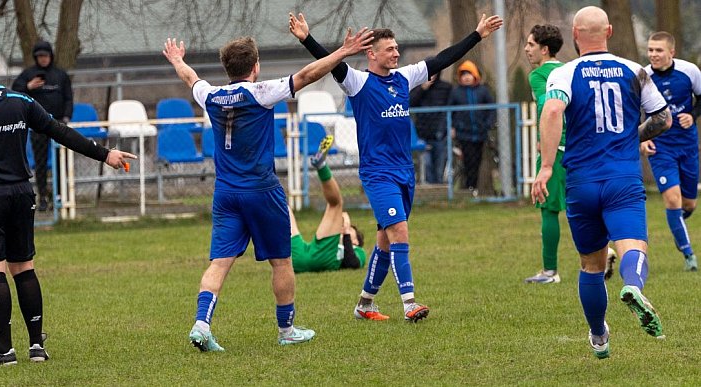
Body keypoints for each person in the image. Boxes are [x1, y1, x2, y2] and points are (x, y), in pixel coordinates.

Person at [162, 26, 374, 351]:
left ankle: (201, 324)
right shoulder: (261, 92)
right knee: (282, 262)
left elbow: (190, 78)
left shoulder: (212, 95)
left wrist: (177, 59)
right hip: (262, 191)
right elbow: (307, 74)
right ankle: (286, 330)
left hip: (226, 194)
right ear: (255, 66)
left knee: (219, 263)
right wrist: (343, 53)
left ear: (227, 68)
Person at [0, 44, 136, 366]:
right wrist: (105, 154)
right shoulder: (23, 101)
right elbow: (59, 131)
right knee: (24, 267)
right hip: (22, 194)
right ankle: (37, 346)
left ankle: (4, 350)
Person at [289, 12, 503, 322]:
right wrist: (307, 38)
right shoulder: (357, 80)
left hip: (405, 173)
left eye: (397, 48)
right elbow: (329, 61)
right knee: (400, 231)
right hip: (378, 175)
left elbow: (442, 59)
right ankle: (409, 303)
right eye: (390, 49)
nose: (397, 53)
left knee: (385, 242)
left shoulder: (405, 77)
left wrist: (477, 34)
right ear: (371, 53)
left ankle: (365, 304)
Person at [532, 6, 672, 359]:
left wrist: (547, 167)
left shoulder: (564, 73)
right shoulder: (634, 70)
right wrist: (633, 136)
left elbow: (551, 111)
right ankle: (634, 287)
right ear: (608, 31)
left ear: (576, 34)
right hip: (623, 177)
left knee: (591, 265)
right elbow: (663, 117)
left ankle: (598, 335)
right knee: (633, 246)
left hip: (581, 181)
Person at [641, 31, 701, 272]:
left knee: (688, 205)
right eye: (650, 50)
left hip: (687, 146)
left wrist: (693, 115)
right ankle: (689, 255)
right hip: (660, 147)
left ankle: (675, 221)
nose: (653, 55)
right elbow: (635, 110)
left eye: (659, 50)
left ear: (671, 52)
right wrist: (642, 140)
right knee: (672, 199)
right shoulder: (643, 76)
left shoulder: (690, 72)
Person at [523, 24, 566, 284]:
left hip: (556, 148)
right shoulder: (568, 70)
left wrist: (544, 139)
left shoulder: (539, 75)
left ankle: (550, 272)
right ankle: (603, 252)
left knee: (548, 209)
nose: (527, 49)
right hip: (579, 147)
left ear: (544, 49)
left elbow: (546, 106)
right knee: (583, 206)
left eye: (530, 44)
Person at [290, 136, 368, 274]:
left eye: (351, 232)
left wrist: (346, 234)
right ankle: (264, 174)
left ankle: (321, 166)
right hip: (298, 259)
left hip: (322, 258)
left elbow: (352, 264)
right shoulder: (334, 244)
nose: (344, 229)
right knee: (283, 210)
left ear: (356, 242)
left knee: (336, 204)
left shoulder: (359, 251)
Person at [12, 41, 73, 212]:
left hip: (58, 124)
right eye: (39, 56)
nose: (43, 59)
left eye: (45, 56)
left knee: (61, 161)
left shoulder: (60, 75)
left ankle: (60, 195)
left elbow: (68, 98)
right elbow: (15, 93)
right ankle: (43, 197)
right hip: (38, 126)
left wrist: (67, 117)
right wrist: (28, 87)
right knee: (40, 163)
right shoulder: (28, 74)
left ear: (50, 56)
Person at [448, 60, 495, 196]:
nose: (466, 77)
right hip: (464, 133)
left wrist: (488, 123)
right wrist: (452, 127)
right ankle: (469, 188)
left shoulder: (483, 91)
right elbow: (450, 111)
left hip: (480, 133)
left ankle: (472, 188)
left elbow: (491, 109)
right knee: (468, 161)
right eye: (463, 75)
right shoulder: (456, 92)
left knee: (477, 161)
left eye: (469, 74)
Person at [410, 76, 452, 184]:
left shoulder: (446, 88)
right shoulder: (418, 88)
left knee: (439, 166)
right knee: (426, 165)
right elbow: (409, 102)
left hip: (440, 133)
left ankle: (439, 190)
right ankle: (429, 190)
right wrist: (422, 89)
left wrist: (447, 128)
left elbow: (451, 106)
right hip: (422, 133)